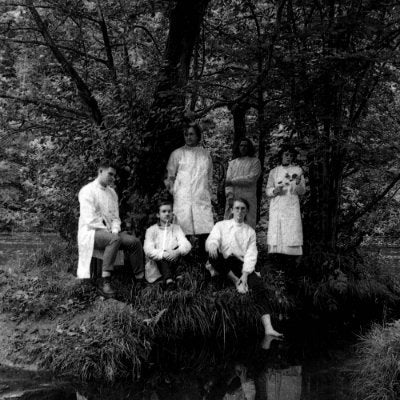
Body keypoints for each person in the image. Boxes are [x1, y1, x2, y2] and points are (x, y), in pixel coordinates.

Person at [206, 198, 282, 338]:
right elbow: (213, 238)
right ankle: (235, 281)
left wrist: (245, 275)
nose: (239, 211)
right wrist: (212, 244)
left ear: (246, 211)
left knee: (259, 286)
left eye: (243, 209)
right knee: (213, 254)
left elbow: (251, 255)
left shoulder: (250, 232)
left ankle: (268, 328)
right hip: (223, 260)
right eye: (237, 208)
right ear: (232, 210)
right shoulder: (221, 225)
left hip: (240, 264)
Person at [76, 160, 144, 297]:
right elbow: (90, 219)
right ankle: (105, 281)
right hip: (91, 232)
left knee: (134, 242)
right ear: (100, 171)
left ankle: (139, 280)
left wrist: (114, 230)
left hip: (110, 232)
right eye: (110, 174)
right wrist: (111, 234)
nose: (113, 178)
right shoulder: (87, 191)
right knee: (113, 240)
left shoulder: (112, 193)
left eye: (114, 176)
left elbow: (115, 218)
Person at [165, 123, 214, 261]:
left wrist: (208, 192)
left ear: (198, 136)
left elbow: (209, 177)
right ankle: (183, 263)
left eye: (191, 134)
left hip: (201, 197)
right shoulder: (177, 154)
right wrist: (176, 192)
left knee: (205, 231)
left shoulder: (205, 155)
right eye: (186, 134)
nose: (188, 137)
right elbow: (170, 177)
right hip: (183, 199)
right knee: (182, 230)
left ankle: (205, 263)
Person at [265, 145, 306, 257]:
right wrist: (274, 190)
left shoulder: (298, 170)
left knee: (291, 232)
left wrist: (297, 183)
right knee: (277, 234)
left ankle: (291, 259)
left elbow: (302, 191)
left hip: (291, 205)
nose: (289, 157)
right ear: (281, 155)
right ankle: (276, 259)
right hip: (277, 205)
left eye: (291, 155)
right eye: (286, 155)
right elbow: (267, 190)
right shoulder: (274, 171)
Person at [143, 200, 192, 289]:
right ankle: (169, 280)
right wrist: (164, 254)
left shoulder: (176, 228)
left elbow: (186, 245)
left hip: (175, 260)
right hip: (159, 264)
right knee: (162, 253)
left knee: (179, 248)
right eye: (164, 211)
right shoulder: (151, 230)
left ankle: (179, 278)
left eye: (169, 211)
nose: (167, 214)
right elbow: (148, 250)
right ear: (158, 215)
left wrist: (177, 252)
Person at [225, 138, 261, 229]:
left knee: (248, 225)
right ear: (238, 147)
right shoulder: (232, 163)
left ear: (249, 148)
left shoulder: (255, 162)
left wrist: (233, 181)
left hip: (248, 198)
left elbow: (251, 179)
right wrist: (229, 196)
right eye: (241, 145)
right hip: (234, 198)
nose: (243, 148)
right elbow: (227, 182)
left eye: (246, 146)